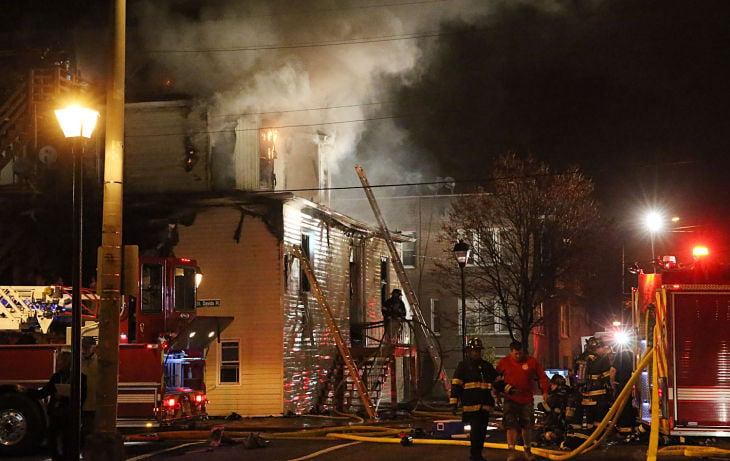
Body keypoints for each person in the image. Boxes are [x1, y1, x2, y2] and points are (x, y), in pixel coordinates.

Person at [495, 341, 550, 461]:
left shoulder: (531, 361)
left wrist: (545, 391)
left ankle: (527, 451)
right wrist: (497, 394)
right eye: (516, 354)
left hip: (526, 399)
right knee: (511, 426)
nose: (518, 356)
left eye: (520, 353)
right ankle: (511, 452)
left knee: (527, 426)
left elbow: (542, 377)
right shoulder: (503, 362)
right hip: (510, 399)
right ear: (511, 352)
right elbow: (496, 379)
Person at [29, 350, 86, 461]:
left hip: (69, 413)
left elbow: (82, 397)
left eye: (60, 360)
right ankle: (56, 457)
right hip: (56, 412)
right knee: (52, 438)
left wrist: (67, 396)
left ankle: (67, 457)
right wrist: (27, 392)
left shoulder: (80, 377)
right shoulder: (57, 376)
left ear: (67, 362)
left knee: (67, 439)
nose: (58, 363)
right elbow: (45, 392)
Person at [450, 338, 498, 461]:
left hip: (485, 405)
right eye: (474, 350)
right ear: (468, 352)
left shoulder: (486, 366)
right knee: (476, 432)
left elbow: (498, 382)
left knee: (481, 432)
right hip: (471, 405)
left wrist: (510, 389)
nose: (476, 353)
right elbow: (456, 385)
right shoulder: (463, 366)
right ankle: (475, 456)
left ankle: (478, 454)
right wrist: (453, 403)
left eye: (478, 350)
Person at [579, 337, 612, 428]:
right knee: (599, 418)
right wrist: (611, 389)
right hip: (599, 393)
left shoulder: (581, 357)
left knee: (589, 417)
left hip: (586, 393)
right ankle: (598, 436)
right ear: (598, 347)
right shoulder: (602, 358)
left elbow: (575, 374)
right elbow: (607, 376)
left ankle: (589, 436)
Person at [81, 336, 99, 447]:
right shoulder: (78, 360)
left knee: (91, 426)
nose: (86, 350)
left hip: (94, 400)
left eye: (88, 347)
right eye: (84, 347)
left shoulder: (99, 362)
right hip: (82, 400)